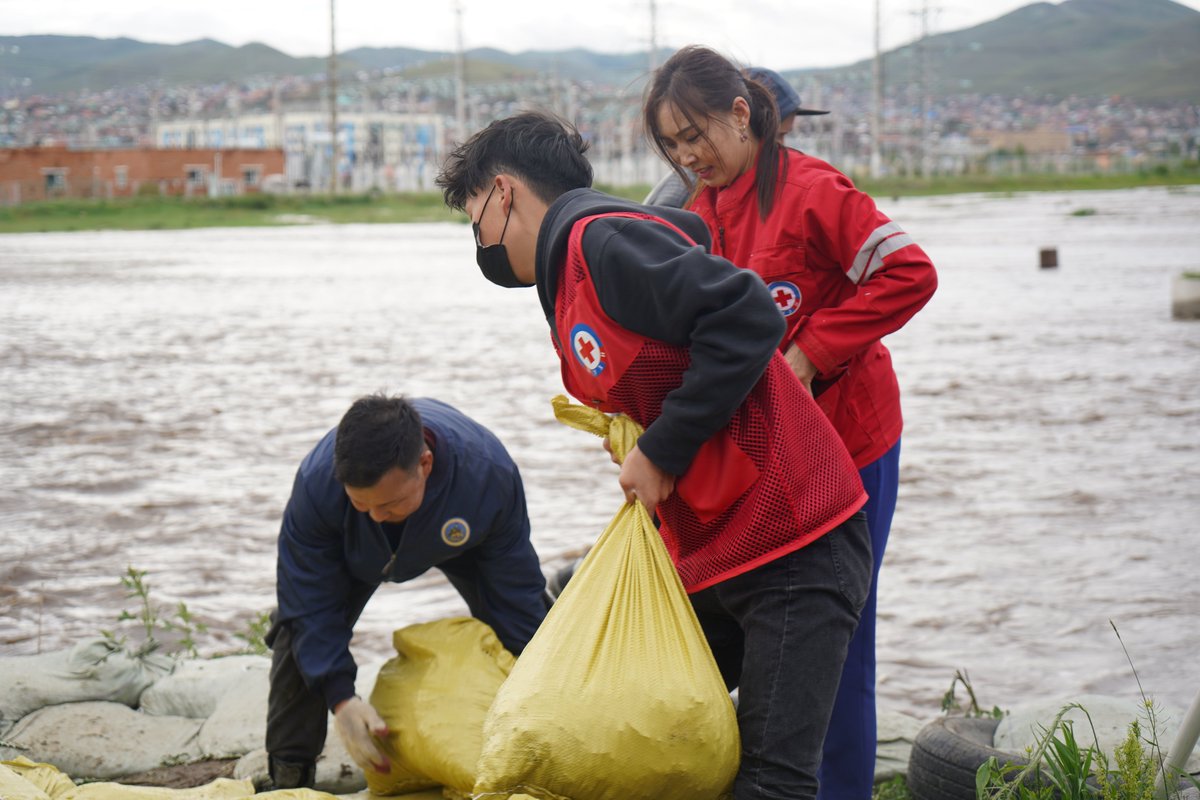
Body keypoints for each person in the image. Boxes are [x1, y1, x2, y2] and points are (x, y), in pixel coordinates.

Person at [436, 110, 873, 800]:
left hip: (796, 541)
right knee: (642, 723)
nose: (479, 238)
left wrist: (663, 451)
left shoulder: (602, 242)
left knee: (771, 780)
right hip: (716, 548)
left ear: (502, 192)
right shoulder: (570, 272)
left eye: (473, 217)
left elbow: (747, 315)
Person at [643, 45, 938, 799]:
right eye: (672, 145)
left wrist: (812, 352)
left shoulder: (814, 191)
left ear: (742, 114)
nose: (687, 156)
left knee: (838, 639)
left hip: (852, 442)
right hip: (769, 456)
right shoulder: (694, 214)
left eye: (696, 135)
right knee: (764, 629)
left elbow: (911, 273)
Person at [263, 394, 548, 790]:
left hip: (458, 533)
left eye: (389, 504)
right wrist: (341, 699)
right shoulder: (317, 486)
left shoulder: (487, 475)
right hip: (353, 555)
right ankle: (290, 774)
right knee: (298, 631)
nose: (377, 516)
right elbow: (308, 602)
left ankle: (545, 742)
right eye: (361, 503)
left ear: (424, 465)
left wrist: (533, 654)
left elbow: (517, 590)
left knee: (529, 633)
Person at [644, 65, 828, 208]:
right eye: (776, 136)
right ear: (742, 117)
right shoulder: (691, 193)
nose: (782, 148)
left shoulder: (811, 190)